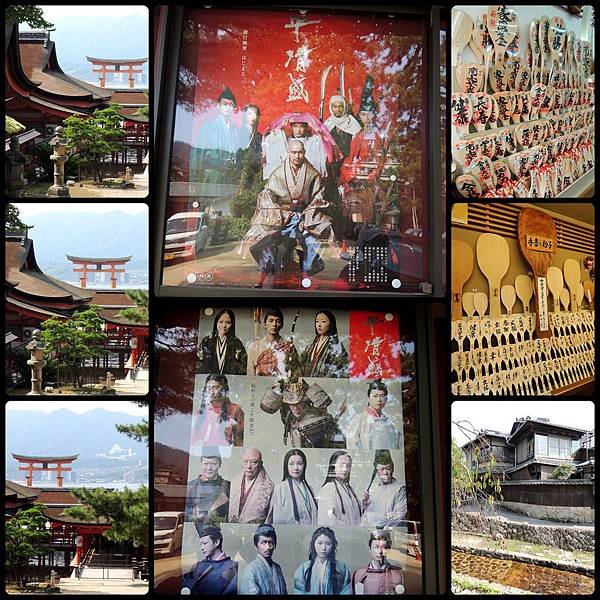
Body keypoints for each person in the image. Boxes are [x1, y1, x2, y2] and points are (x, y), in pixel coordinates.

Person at [244, 140, 334, 286]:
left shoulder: (313, 174)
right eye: (293, 152)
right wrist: (279, 215)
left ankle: (305, 276)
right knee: (263, 241)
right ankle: (261, 277)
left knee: (310, 244)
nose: (297, 156)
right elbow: (267, 195)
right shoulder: (278, 173)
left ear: (304, 152)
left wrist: (308, 216)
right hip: (282, 217)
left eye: (300, 152)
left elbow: (319, 197)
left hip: (305, 217)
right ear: (288, 152)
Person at [190, 87, 241, 183]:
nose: (228, 107)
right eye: (225, 104)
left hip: (229, 178)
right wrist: (193, 180)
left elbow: (237, 156)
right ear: (218, 106)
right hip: (210, 177)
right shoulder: (208, 128)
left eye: (231, 105)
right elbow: (197, 155)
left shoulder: (235, 131)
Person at [277, 378, 346, 448]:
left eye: (299, 403)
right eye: (291, 404)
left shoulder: (320, 420)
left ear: (305, 402)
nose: (295, 408)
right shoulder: (289, 417)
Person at [292, 527, 352, 594]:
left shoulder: (342, 568)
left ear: (333, 546)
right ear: (313, 544)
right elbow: (298, 590)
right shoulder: (304, 568)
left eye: (328, 543)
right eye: (320, 543)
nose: (323, 548)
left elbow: (346, 590)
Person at [263, 118, 328, 179]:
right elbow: (271, 140)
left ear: (305, 127)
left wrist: (315, 127)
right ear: (291, 127)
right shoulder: (286, 141)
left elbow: (323, 140)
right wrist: (280, 127)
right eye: (295, 126)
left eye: (301, 126)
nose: (298, 130)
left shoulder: (312, 141)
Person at [191, 374, 244, 447]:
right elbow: (192, 438)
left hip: (224, 454)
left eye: (215, 388)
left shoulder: (235, 410)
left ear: (224, 389)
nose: (212, 392)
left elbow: (239, 442)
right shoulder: (201, 411)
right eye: (209, 388)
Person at [182, 525, 238, 595]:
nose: (202, 548)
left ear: (216, 542)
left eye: (205, 543)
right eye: (201, 544)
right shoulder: (198, 565)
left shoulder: (231, 567)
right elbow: (186, 583)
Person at [268, 449, 318, 525]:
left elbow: (316, 515)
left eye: (299, 464)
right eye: (291, 464)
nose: (296, 468)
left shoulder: (310, 489)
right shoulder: (280, 489)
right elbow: (278, 520)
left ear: (304, 465)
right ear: (286, 466)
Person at [347, 379, 401, 449]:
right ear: (369, 398)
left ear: (386, 399)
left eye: (382, 396)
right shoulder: (358, 420)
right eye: (375, 396)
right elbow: (353, 446)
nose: (379, 399)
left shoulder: (390, 423)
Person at [246, 308, 301, 377]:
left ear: (282, 325)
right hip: (260, 384)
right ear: (265, 324)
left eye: (277, 321)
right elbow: (250, 373)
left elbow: (296, 371)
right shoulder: (255, 346)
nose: (274, 324)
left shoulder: (289, 347)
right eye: (271, 321)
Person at [361, 450, 407, 527]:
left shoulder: (400, 489)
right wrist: (364, 505)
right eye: (382, 469)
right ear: (376, 471)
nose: (385, 472)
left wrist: (372, 517)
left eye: (388, 469)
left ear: (393, 469)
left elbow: (399, 518)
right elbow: (363, 518)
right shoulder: (372, 489)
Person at [351, 529, 406, 595]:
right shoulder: (359, 575)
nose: (380, 551)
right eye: (376, 547)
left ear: (388, 549)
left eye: (384, 547)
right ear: (369, 549)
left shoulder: (397, 574)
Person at [228, 448, 274, 523]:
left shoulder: (268, 487)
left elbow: (270, 518)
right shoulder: (235, 482)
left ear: (261, 463)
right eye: (245, 462)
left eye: (254, 462)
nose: (249, 466)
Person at [299, 310, 349, 378]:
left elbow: (339, 369)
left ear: (331, 324)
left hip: (325, 385)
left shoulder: (336, 346)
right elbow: (299, 365)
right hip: (307, 384)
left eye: (323, 321)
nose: (319, 325)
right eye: (317, 321)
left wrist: (321, 383)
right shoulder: (310, 347)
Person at [185, 449, 230, 523]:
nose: (209, 468)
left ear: (220, 464)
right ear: (201, 464)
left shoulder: (229, 486)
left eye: (214, 464)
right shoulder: (191, 486)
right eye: (206, 464)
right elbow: (184, 515)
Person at [318, 451, 362, 527]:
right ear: (333, 466)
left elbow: (355, 515)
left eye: (348, 466)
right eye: (341, 465)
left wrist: (364, 505)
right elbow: (328, 519)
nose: (345, 469)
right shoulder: (327, 489)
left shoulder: (350, 489)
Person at [240, 524, 287, 594]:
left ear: (274, 545)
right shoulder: (251, 569)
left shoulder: (277, 568)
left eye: (270, 542)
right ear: (256, 546)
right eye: (263, 543)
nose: (268, 547)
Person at [198, 308, 247, 375]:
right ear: (216, 323)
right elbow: (199, 364)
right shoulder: (206, 341)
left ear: (232, 324)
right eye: (221, 322)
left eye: (228, 322)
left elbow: (244, 367)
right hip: (211, 381)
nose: (224, 325)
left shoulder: (237, 343)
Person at [323, 95, 361, 159]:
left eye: (341, 107)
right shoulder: (328, 123)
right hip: (331, 160)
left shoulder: (352, 123)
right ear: (331, 108)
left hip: (348, 159)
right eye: (335, 107)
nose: (338, 110)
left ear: (345, 107)